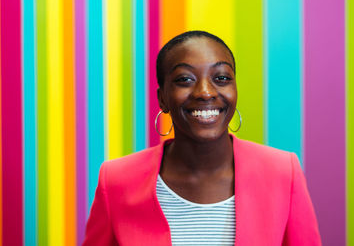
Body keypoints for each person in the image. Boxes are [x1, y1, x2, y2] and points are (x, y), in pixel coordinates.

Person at [83, 31, 321, 245]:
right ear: (162, 98)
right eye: (185, 79)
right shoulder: (115, 180)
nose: (205, 92)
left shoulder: (283, 172)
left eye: (222, 78)